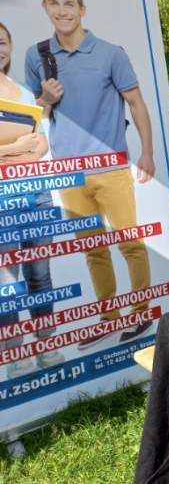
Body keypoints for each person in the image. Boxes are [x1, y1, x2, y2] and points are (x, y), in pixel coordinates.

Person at [26, 0, 156, 349]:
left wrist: (146, 153)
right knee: (93, 249)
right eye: (54, 3)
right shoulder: (36, 55)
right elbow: (35, 115)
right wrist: (45, 99)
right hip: (69, 172)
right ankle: (108, 317)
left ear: (82, 9)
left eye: (69, 3)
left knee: (130, 244)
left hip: (111, 167)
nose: (62, 11)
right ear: (45, 8)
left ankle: (140, 313)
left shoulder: (110, 53)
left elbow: (136, 103)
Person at [0, 21, 64, 378]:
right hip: (2, 201)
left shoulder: (24, 94)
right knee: (6, 283)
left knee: (40, 276)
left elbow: (40, 142)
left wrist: (27, 147)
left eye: (2, 41)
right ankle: (15, 353)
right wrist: (16, 147)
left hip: (36, 195)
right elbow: (24, 144)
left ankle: (47, 343)